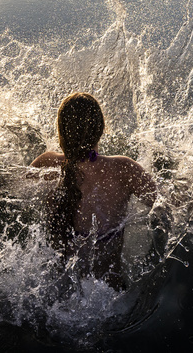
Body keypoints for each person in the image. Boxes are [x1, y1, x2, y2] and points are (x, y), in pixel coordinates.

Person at [31, 92, 157, 288]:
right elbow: (167, 204)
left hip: (57, 289)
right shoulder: (123, 169)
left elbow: (10, 191)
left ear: (61, 131)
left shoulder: (46, 163)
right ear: (101, 129)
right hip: (107, 293)